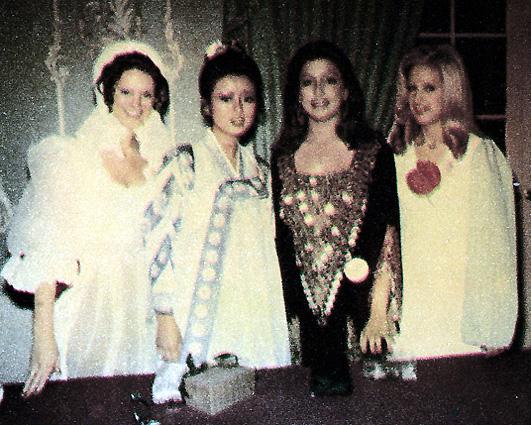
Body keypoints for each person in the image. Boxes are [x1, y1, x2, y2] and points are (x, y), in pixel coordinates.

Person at [1, 40, 180, 397]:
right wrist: (43, 336)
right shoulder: (74, 155)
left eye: (146, 95)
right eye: (126, 92)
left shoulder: (162, 159)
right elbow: (50, 246)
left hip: (146, 303)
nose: (136, 104)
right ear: (107, 92)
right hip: (94, 301)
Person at [149, 41, 291, 404]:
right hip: (202, 309)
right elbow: (159, 244)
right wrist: (165, 316)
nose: (238, 109)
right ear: (207, 106)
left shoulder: (262, 171)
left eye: (248, 99)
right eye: (226, 98)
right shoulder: (185, 162)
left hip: (255, 306)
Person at [271, 40, 401, 396]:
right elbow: (281, 246)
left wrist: (379, 313)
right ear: (297, 93)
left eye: (329, 80)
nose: (318, 91)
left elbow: (387, 234)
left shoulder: (375, 153)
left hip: (362, 315)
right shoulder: (281, 159)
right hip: (301, 322)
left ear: (345, 90)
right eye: (308, 82)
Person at [387, 44, 517, 365]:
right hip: (414, 300)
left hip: (460, 303)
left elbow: (495, 246)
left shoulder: (479, 154)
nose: (419, 98)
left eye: (430, 88)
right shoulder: (397, 155)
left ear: (452, 90)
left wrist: (493, 323)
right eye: (413, 89)